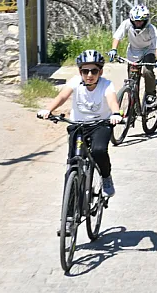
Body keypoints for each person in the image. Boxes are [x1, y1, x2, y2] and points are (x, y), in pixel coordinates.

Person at [38, 50, 123, 197]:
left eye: (94, 71)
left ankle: (106, 177)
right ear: (80, 71)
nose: (89, 75)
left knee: (98, 151)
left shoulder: (106, 85)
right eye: (85, 71)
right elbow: (62, 96)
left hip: (100, 124)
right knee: (73, 161)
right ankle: (71, 206)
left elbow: (112, 101)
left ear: (100, 72)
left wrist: (115, 113)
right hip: (78, 125)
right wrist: (48, 110)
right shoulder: (75, 82)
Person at [108, 5, 157, 109]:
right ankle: (132, 105)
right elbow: (117, 36)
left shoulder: (151, 29)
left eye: (141, 21)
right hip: (133, 52)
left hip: (149, 51)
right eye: (136, 21)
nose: (138, 23)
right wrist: (114, 50)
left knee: (147, 71)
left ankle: (151, 96)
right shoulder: (127, 24)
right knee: (132, 79)